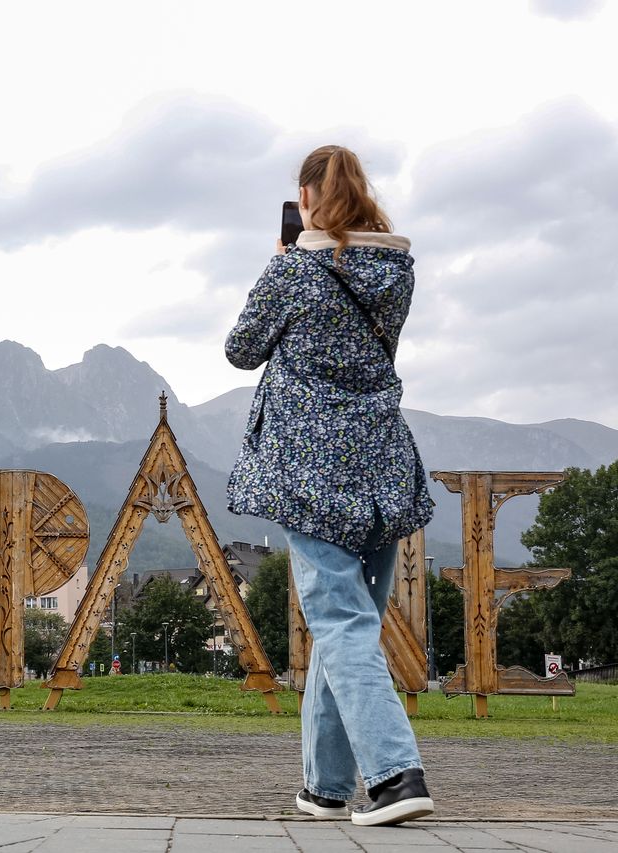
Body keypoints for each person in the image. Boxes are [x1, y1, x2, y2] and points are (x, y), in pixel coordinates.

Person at [224, 145, 436, 827]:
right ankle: (325, 784)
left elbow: (240, 348)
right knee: (348, 623)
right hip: (381, 467)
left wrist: (282, 261)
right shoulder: (396, 274)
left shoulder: (295, 271)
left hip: (313, 469)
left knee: (340, 622)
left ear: (308, 200)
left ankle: (397, 775)